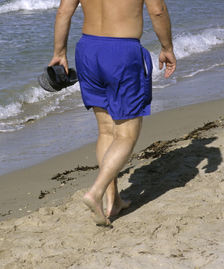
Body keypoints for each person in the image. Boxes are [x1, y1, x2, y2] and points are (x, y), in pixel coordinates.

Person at [48, 0, 176, 226]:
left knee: (106, 131)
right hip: (122, 52)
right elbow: (157, 11)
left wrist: (59, 52)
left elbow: (63, 12)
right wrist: (167, 48)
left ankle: (113, 201)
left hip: (88, 50)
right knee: (126, 134)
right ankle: (95, 193)